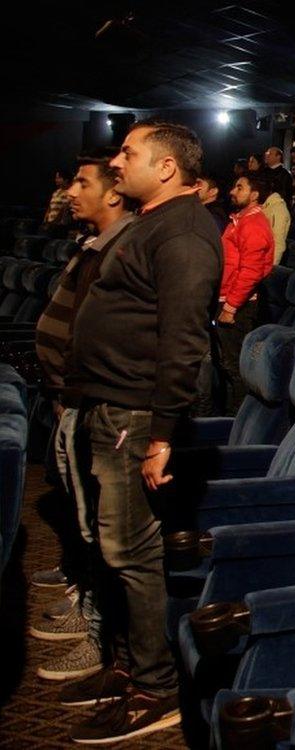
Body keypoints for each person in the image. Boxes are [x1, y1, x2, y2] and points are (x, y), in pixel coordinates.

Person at [68, 120, 221, 742]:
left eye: (129, 152)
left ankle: (155, 687)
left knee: (132, 553)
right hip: (113, 406)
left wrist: (161, 436)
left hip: (136, 416)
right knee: (117, 549)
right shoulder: (152, 222)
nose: (118, 160)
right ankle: (130, 666)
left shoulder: (184, 233)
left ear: (165, 168)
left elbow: (184, 342)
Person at [30, 149, 135, 683]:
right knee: (82, 519)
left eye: (81, 182)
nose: (70, 191)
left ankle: (100, 640)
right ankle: (88, 608)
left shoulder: (123, 247)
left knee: (99, 526)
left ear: (113, 192)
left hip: (92, 401)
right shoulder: (95, 243)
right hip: (69, 396)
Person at [218, 171, 275, 413]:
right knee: (226, 365)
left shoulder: (253, 224)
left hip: (238, 305)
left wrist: (230, 307)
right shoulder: (240, 220)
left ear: (254, 195)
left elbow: (251, 271)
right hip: (228, 299)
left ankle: (235, 423)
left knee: (234, 368)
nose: (232, 191)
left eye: (239, 187)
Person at [261, 178, 291, 264]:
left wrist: (272, 266)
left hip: (268, 264)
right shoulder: (264, 206)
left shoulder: (277, 208)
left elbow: (278, 242)